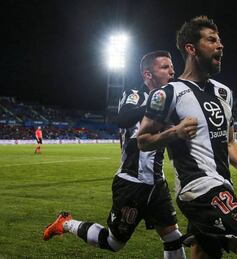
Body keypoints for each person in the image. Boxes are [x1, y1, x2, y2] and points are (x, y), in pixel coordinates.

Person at [138, 16, 237, 259]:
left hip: (222, 184)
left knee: (206, 253)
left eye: (220, 40)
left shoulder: (224, 92)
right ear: (191, 49)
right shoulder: (168, 93)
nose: (220, 45)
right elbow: (143, 139)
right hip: (198, 189)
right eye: (211, 40)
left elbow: (229, 142)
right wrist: (175, 132)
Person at [43, 50, 186, 259]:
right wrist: (156, 105)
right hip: (131, 183)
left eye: (172, 68)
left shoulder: (168, 101)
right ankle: (66, 223)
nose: (172, 72)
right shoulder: (135, 94)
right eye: (165, 67)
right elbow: (123, 118)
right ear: (148, 75)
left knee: (172, 235)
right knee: (113, 242)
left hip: (157, 183)